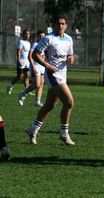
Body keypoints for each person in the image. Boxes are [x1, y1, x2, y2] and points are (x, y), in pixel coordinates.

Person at [26, 16, 75, 145]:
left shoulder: (69, 39)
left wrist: (71, 58)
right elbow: (35, 54)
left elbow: (70, 55)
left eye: (63, 24)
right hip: (51, 75)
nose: (60, 26)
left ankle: (33, 130)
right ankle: (64, 134)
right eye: (58, 23)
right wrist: (48, 66)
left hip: (63, 75)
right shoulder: (48, 38)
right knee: (69, 102)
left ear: (66, 25)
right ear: (54, 25)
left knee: (49, 106)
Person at [18, 30, 46, 107]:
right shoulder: (35, 44)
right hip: (36, 66)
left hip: (42, 67)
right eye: (40, 36)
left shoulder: (44, 45)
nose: (42, 37)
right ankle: (23, 93)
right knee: (36, 84)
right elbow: (29, 56)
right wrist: (33, 66)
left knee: (41, 84)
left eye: (43, 36)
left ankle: (37, 101)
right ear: (37, 36)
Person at [7, 29, 31, 95]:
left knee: (27, 75)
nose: (27, 35)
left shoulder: (29, 43)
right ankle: (10, 86)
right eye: (26, 34)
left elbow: (29, 53)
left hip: (27, 62)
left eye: (28, 34)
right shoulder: (21, 41)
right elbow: (18, 51)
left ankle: (27, 89)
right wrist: (19, 60)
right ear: (23, 34)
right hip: (21, 61)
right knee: (19, 76)